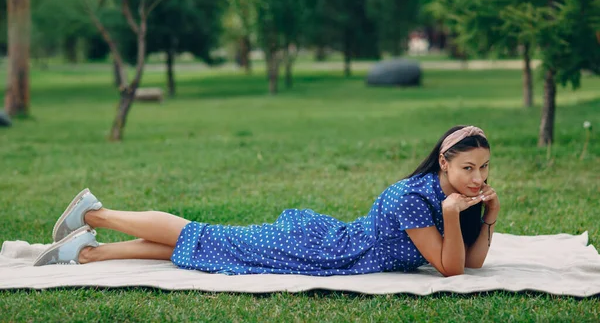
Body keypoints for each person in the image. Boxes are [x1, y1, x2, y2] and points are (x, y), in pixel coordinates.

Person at [34, 125, 499, 277]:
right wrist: (451, 219)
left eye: (483, 169)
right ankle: (94, 212)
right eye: (467, 168)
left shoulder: (455, 198)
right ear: (443, 162)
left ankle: (89, 250)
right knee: (205, 235)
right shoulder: (413, 199)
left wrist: (489, 219)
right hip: (323, 249)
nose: (477, 179)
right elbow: (449, 268)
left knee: (208, 249)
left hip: (335, 244)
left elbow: (471, 265)